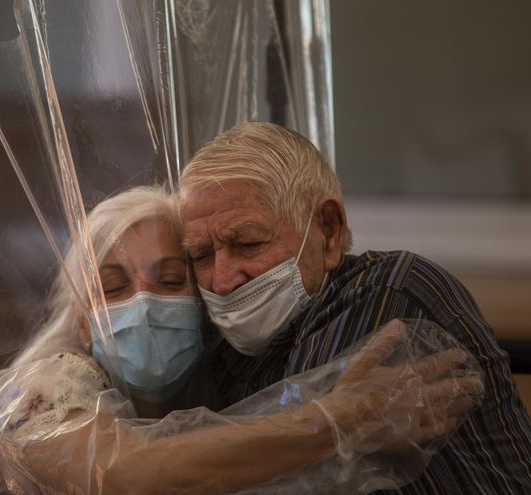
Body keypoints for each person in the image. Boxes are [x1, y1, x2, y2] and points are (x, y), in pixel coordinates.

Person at [0, 186, 482, 495]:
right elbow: (122, 474)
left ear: (203, 308)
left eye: (171, 281)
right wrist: (338, 420)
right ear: (82, 323)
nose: (144, 304)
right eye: (113, 288)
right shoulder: (52, 381)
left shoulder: (212, 395)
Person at [179, 121, 531, 494]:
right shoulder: (234, 348)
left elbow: (290, 471)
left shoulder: (389, 293)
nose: (222, 280)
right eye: (200, 255)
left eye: (248, 244)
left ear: (328, 232)